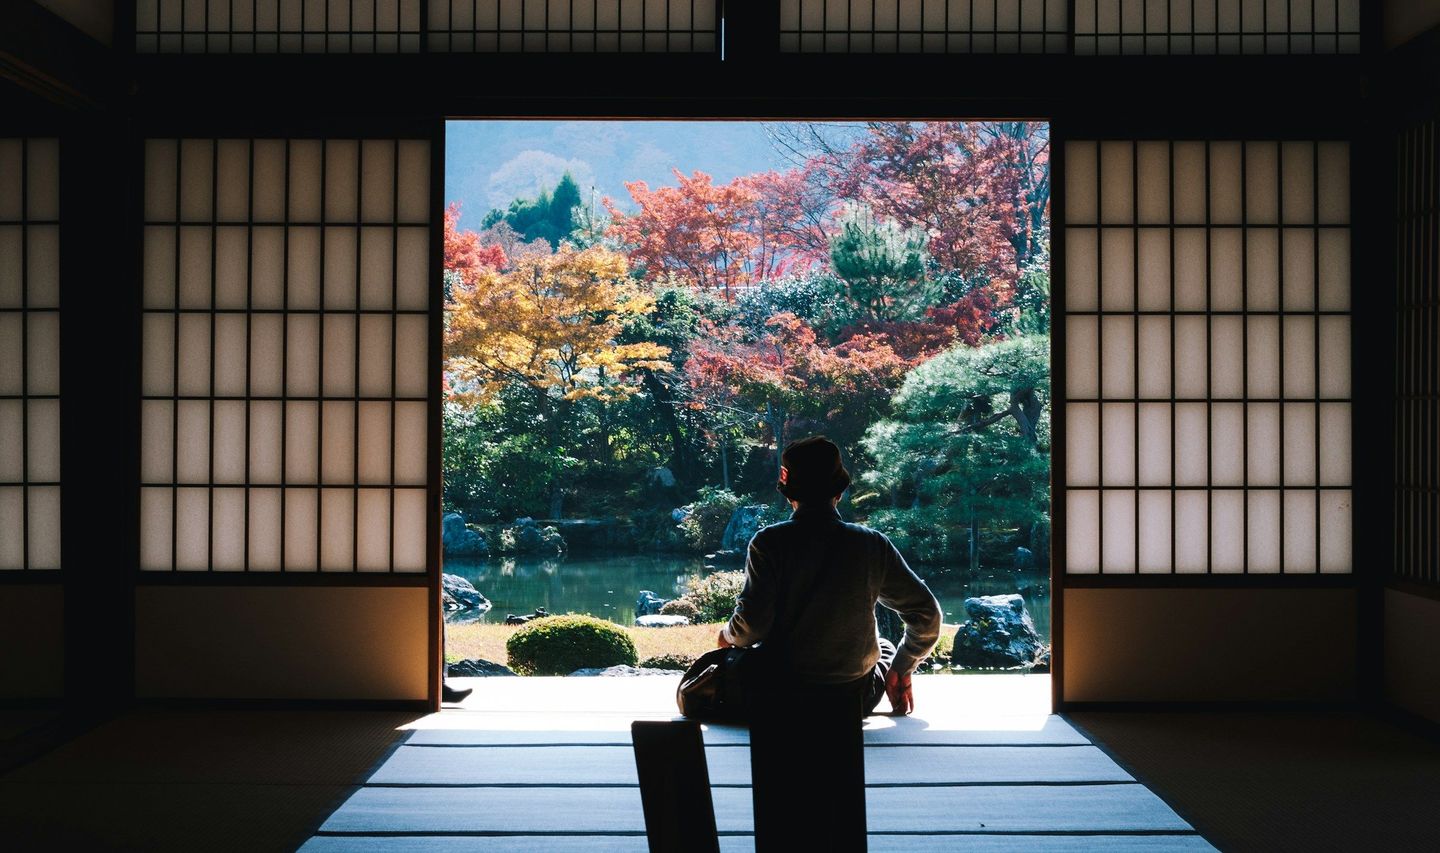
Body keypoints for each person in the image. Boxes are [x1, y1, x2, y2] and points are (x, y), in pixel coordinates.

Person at [717, 435, 942, 717]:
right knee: (883, 647)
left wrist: (726, 635)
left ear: (788, 490)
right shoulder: (871, 544)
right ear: (840, 491)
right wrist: (902, 665)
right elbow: (927, 614)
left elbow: (751, 626)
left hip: (779, 695)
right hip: (852, 698)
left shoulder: (769, 543)